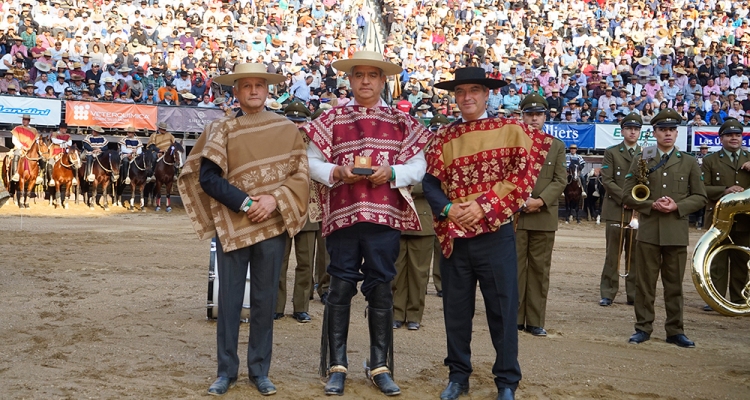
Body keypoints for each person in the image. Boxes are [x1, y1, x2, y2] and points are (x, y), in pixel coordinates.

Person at [176, 63, 309, 396]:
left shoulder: (287, 129)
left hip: (272, 225)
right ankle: (226, 372)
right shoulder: (221, 129)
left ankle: (259, 371)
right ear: (235, 92)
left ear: (267, 90)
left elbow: (301, 175)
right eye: (246, 85)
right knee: (230, 302)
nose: (253, 90)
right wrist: (247, 203)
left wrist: (273, 199)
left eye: (259, 85)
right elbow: (207, 179)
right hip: (233, 226)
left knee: (265, 302)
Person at [304, 51, 431, 397]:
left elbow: (418, 166)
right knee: (340, 289)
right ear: (350, 80)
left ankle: (379, 366)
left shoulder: (402, 121)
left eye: (371, 75)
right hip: (343, 217)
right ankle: (337, 366)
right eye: (358, 75)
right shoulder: (330, 119)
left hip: (383, 217)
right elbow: (310, 161)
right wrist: (336, 172)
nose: (364, 81)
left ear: (382, 80)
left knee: (380, 288)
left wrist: (391, 172)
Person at [424, 67, 551, 400]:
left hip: (496, 235)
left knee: (503, 311)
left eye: (474, 90)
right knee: (456, 310)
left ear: (486, 94)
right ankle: (458, 375)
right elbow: (430, 183)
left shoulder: (511, 128)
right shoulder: (442, 136)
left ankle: (507, 381)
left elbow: (522, 176)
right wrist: (451, 210)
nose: (467, 97)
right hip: (456, 234)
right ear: (455, 96)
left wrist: (484, 206)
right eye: (461, 91)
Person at [623, 108, 707, 348]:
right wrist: (651, 205)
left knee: (674, 286)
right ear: (655, 132)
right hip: (649, 231)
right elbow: (627, 194)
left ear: (677, 133)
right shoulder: (643, 157)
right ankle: (643, 328)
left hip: (675, 232)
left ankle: (675, 330)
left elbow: (700, 197)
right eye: (663, 130)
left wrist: (677, 206)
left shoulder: (689, 161)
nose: (668, 134)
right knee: (645, 284)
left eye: (672, 130)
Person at [516, 93, 567, 337]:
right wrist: (519, 201)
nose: (534, 119)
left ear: (546, 117)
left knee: (539, 270)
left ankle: (535, 319)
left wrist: (540, 201)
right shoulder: (512, 142)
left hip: (543, 215)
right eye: (529, 114)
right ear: (522, 116)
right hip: (515, 214)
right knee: (514, 269)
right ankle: (514, 318)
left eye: (538, 114)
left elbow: (560, 180)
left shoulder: (555, 145)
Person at [699, 119, 750, 308]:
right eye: (729, 135)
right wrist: (725, 189)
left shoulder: (749, 157)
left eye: (737, 135)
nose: (734, 138)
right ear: (721, 138)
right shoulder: (710, 160)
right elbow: (702, 188)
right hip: (718, 218)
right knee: (717, 261)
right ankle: (716, 299)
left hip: (744, 219)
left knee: (742, 260)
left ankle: (739, 298)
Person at [274, 101, 317, 324]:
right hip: (283, 208)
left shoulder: (316, 145)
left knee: (305, 262)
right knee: (279, 261)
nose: (297, 125)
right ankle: (276, 305)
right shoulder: (276, 143)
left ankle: (301, 306)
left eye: (301, 121)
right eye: (292, 120)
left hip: (308, 210)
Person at [598, 112, 643, 307]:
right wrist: (626, 198)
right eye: (629, 128)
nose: (633, 132)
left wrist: (636, 201)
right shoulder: (612, 152)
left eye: (636, 129)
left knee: (635, 253)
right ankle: (608, 292)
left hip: (638, 210)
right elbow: (607, 180)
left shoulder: (647, 152)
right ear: (622, 130)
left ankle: (633, 293)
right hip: (616, 207)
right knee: (613, 253)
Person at [10, 114, 39, 182]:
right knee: (16, 155)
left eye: (26, 120)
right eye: (23, 119)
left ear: (29, 121)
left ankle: (38, 175)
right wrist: (22, 146)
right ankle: (16, 173)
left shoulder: (34, 130)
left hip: (30, 149)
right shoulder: (17, 128)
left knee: (39, 157)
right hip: (20, 148)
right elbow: (14, 140)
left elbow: (36, 140)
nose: (24, 121)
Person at [49, 122, 75, 186]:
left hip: (65, 153)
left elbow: (70, 143)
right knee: (50, 163)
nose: (65, 130)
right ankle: (51, 178)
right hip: (55, 152)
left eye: (66, 129)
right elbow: (54, 141)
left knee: (74, 162)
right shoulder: (54, 133)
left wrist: (61, 144)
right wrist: (63, 142)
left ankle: (74, 177)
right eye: (64, 129)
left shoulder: (68, 135)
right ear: (60, 129)